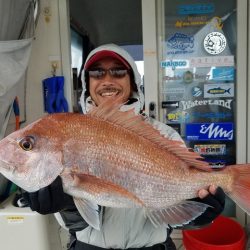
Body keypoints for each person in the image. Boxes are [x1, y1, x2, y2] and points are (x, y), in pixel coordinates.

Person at [23, 44, 225, 250]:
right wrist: (65, 205)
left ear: (133, 82)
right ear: (87, 82)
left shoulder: (164, 136)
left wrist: (200, 213)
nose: (107, 80)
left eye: (118, 72)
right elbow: (77, 223)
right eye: (97, 73)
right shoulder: (71, 132)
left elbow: (171, 217)